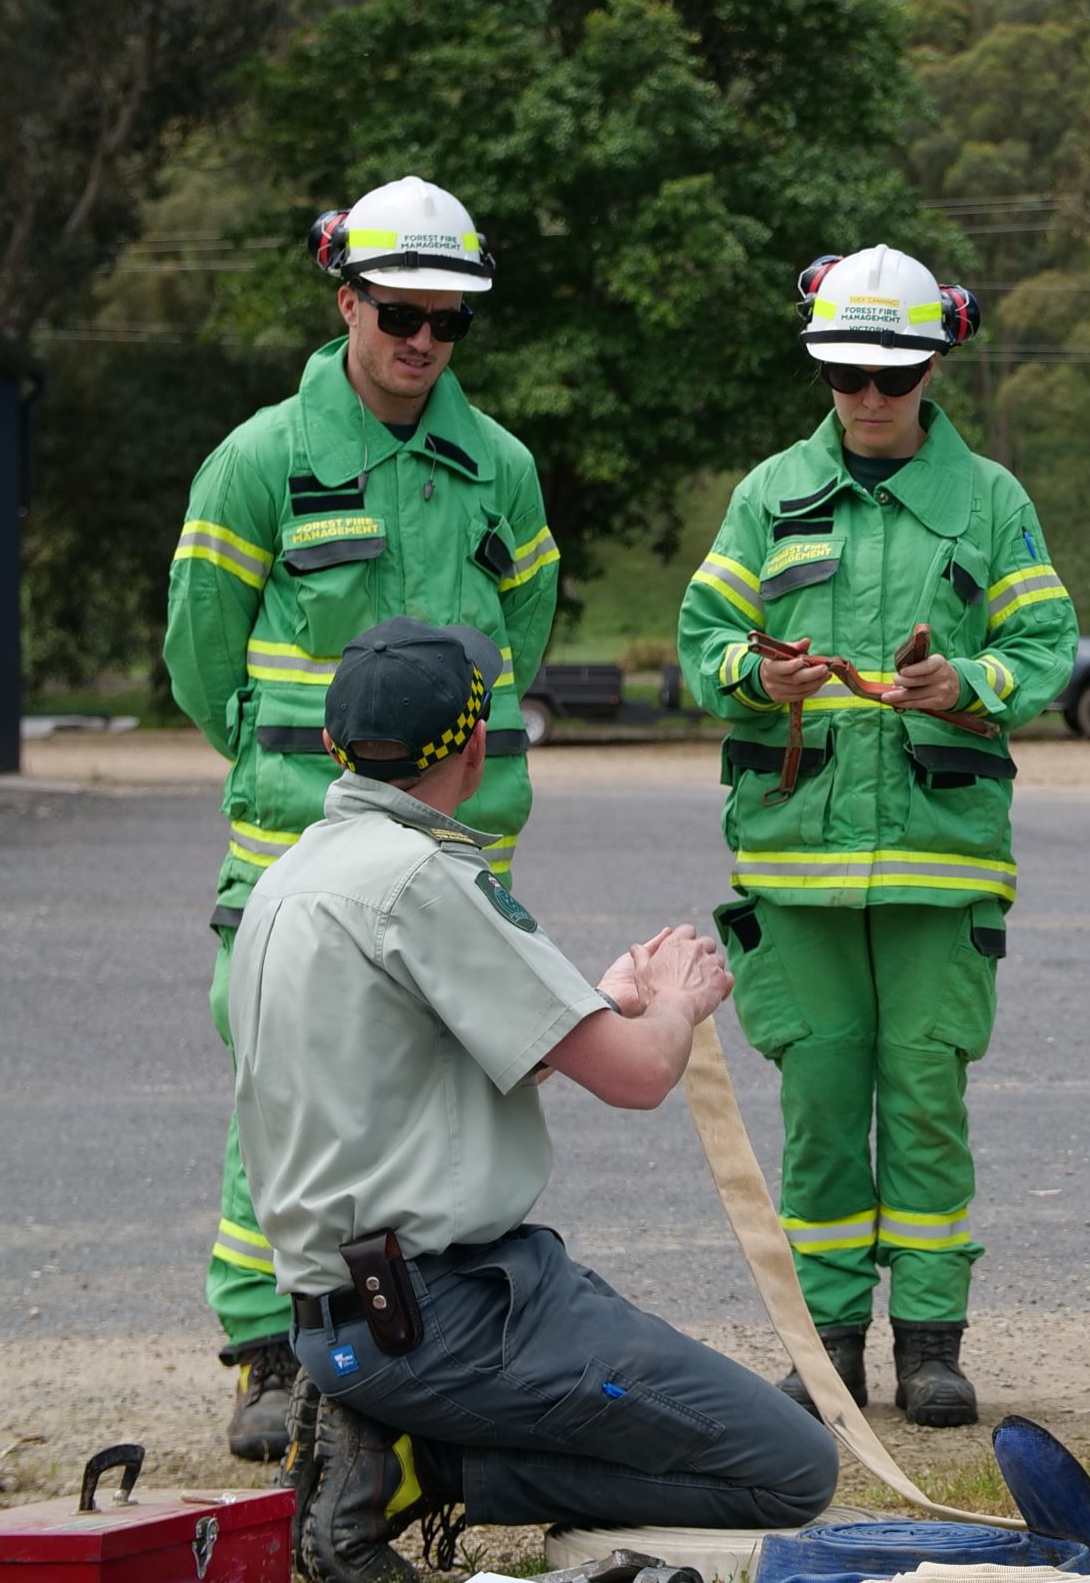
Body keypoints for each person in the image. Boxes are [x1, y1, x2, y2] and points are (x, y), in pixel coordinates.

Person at [231, 618, 836, 1583]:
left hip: (340, 1313)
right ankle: (421, 1464)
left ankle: (395, 1436)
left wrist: (602, 999)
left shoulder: (292, 876)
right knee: (789, 1469)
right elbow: (638, 1076)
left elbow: (443, 1065)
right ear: (474, 747)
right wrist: (678, 1002)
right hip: (446, 1311)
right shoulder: (419, 879)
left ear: (335, 747)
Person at [164, 177, 557, 1460]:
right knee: (278, 1096)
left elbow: (529, 631)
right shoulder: (262, 459)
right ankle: (265, 1351)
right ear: (348, 303)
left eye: (448, 319)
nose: (424, 340)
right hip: (296, 850)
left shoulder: (499, 468)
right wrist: (276, 762)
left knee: (438, 1103)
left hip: (458, 855)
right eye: (400, 312)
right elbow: (199, 655)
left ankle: (408, 1354)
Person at [676, 246, 1075, 1427]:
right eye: (845, 373)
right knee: (819, 1115)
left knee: (924, 1104)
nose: (866, 396)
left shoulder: (992, 502)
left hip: (939, 868)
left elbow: (1046, 651)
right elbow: (705, 640)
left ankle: (933, 1348)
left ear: (934, 365)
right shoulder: (768, 496)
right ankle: (828, 1349)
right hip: (797, 865)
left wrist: (970, 682)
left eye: (891, 375)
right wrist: (758, 671)